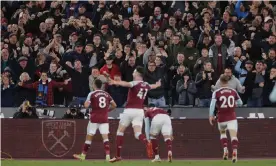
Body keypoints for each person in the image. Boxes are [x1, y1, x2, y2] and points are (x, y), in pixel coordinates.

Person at [108, 66, 161, 162]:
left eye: (134, 72)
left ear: (137, 74)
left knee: (120, 132)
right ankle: (146, 142)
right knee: (138, 134)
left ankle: (118, 156)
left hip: (129, 111)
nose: (133, 73)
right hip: (139, 112)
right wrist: (157, 85)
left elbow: (126, 84)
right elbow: (152, 86)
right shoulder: (146, 84)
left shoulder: (134, 83)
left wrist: (116, 82)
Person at [73, 79, 117, 161]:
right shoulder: (107, 94)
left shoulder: (92, 93)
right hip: (104, 118)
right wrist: (107, 110)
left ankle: (83, 155)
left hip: (94, 118)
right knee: (105, 137)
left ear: (94, 85)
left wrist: (83, 102)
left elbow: (86, 105)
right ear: (101, 86)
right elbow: (114, 105)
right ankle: (108, 156)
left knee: (89, 136)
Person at [209, 75, 243, 163]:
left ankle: (225, 150)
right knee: (233, 136)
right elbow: (240, 103)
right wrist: (233, 104)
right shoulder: (233, 91)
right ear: (228, 82)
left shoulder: (216, 92)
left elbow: (212, 105)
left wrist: (210, 115)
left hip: (221, 118)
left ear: (220, 82)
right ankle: (234, 152)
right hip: (231, 117)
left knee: (223, 133)